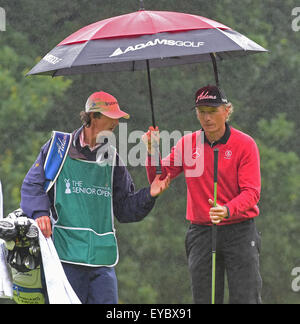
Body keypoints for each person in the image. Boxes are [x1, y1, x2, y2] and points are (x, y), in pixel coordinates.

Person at [20, 90, 170, 304]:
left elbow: (125, 209)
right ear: (93, 117)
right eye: (112, 118)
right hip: (65, 255)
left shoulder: (112, 158)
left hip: (102, 260)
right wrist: (40, 213)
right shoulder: (58, 147)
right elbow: (32, 185)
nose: (116, 124)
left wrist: (150, 193)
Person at [143, 85, 262, 304]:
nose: (206, 117)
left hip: (240, 231)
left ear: (227, 111)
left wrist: (226, 209)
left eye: (212, 110)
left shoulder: (245, 144)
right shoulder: (187, 144)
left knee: (246, 298)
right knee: (205, 299)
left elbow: (251, 193)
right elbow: (158, 179)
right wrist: (152, 151)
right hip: (202, 233)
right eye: (201, 112)